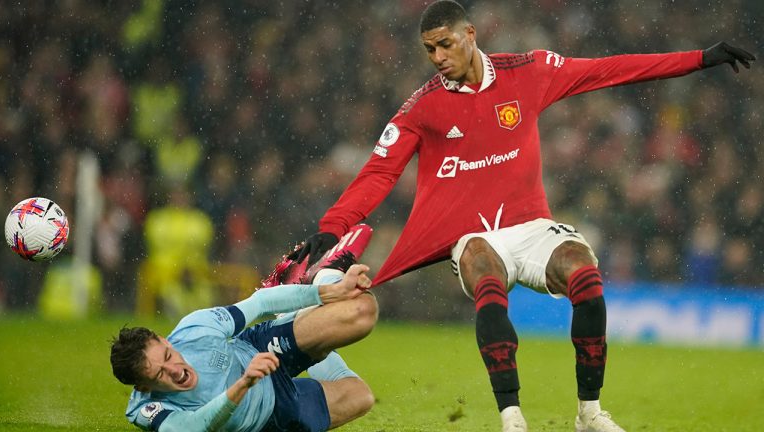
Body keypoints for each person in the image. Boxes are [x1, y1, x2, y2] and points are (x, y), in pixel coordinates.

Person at [288, 2, 756, 431]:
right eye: (429, 49)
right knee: (487, 281)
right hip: (471, 237)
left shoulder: (528, 71)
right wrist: (333, 226)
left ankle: (588, 413)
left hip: (532, 227)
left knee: (587, 278)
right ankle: (513, 419)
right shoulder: (422, 106)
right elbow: (378, 171)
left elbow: (610, 70)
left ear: (470, 34)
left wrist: (699, 58)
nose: (437, 56)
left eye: (445, 43)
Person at [110, 229, 378, 432]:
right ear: (144, 386)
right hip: (271, 414)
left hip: (260, 349)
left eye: (168, 356)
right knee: (362, 397)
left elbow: (259, 302)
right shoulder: (145, 410)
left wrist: (333, 292)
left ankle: (324, 276)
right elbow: (195, 427)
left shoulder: (194, 330)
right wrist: (244, 383)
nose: (175, 370)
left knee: (361, 312)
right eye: (160, 374)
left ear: (164, 340)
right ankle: (301, 321)